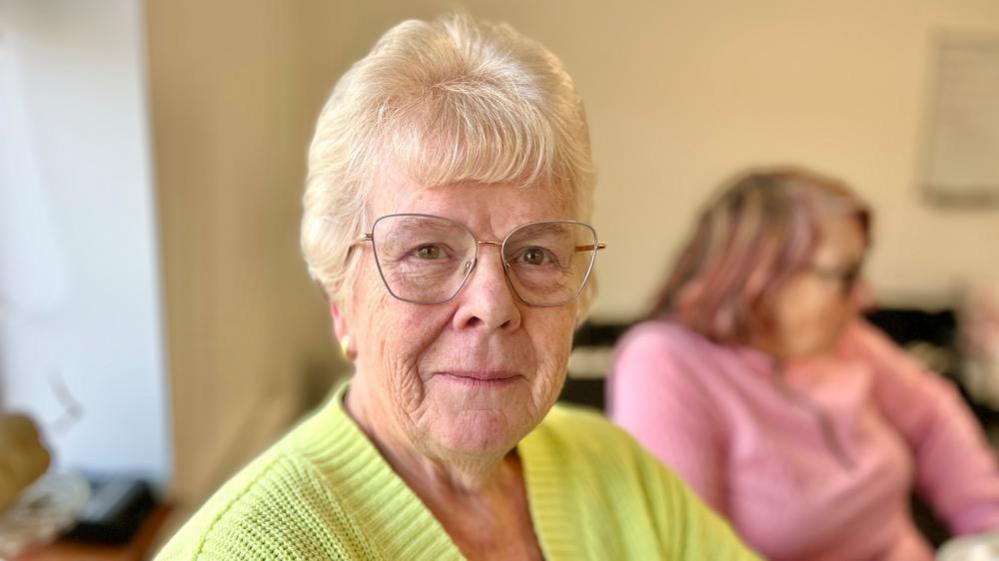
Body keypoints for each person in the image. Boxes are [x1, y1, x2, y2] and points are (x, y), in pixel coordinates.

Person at [154, 14, 761, 561]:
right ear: (342, 299)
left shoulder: (616, 474)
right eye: (427, 250)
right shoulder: (254, 549)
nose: (493, 305)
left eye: (534, 253)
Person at [608, 166, 999, 561]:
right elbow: (683, 549)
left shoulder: (844, 338)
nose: (865, 297)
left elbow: (933, 415)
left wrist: (988, 528)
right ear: (761, 277)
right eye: (845, 275)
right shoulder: (665, 362)